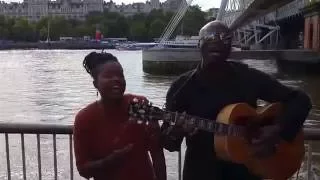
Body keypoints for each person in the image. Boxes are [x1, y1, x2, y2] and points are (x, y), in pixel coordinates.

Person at [161, 20, 312, 180]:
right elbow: (168, 142)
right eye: (211, 36)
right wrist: (177, 132)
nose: (218, 40)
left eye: (225, 38)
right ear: (199, 44)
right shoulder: (181, 87)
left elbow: (300, 99)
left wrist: (277, 130)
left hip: (246, 173)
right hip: (201, 172)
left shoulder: (248, 77)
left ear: (231, 47)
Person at [73, 52, 167, 180]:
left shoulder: (141, 105)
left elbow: (157, 154)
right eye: (109, 76)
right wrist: (111, 160)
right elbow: (83, 170)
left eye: (120, 75)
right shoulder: (84, 118)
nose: (117, 79)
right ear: (95, 84)